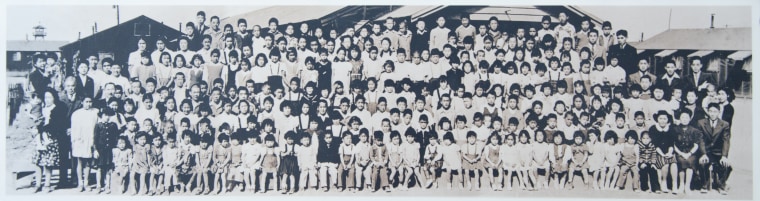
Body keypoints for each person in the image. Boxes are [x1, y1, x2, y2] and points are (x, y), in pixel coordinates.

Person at [696, 103, 732, 195]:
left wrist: (724, 156)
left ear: (719, 112)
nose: (712, 114)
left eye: (715, 111)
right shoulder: (701, 122)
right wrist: (703, 154)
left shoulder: (724, 124)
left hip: (718, 152)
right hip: (706, 151)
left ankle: (721, 186)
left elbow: (726, 141)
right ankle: (704, 185)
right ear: (707, 112)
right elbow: (701, 140)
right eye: (710, 111)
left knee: (725, 165)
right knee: (702, 162)